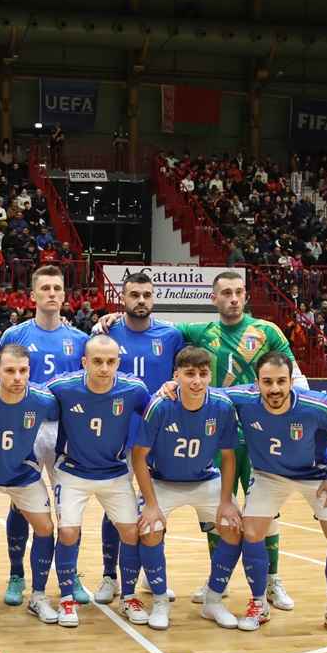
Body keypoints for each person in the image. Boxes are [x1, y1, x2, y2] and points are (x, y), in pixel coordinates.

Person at [99, 270, 303, 611]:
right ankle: (214, 584)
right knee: (217, 516)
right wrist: (114, 317)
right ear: (214, 298)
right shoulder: (198, 331)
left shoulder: (268, 331)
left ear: (246, 295)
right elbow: (151, 327)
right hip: (211, 434)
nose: (233, 298)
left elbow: (295, 380)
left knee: (265, 512)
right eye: (225, 292)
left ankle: (272, 581)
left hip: (256, 435)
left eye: (238, 292)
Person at [225, 351, 327, 640]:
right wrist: (171, 386)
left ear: (291, 381)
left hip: (317, 475)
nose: (274, 388)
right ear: (256, 382)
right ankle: (258, 603)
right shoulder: (243, 397)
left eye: (281, 381)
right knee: (252, 532)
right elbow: (208, 392)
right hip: (269, 475)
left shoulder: (317, 405)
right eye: (267, 381)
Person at [0, 265, 90, 606]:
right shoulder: (15, 336)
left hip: (67, 429)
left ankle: (70, 574)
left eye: (57, 288)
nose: (51, 293)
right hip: (27, 427)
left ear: (64, 295)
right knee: (21, 503)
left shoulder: (80, 340)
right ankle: (16, 574)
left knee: (70, 508)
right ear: (33, 295)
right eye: (45, 288)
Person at [131, 347, 241, 630]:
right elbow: (139, 456)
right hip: (162, 480)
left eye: (203, 374)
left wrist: (227, 500)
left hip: (205, 479)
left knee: (232, 526)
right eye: (189, 374)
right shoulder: (160, 405)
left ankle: (214, 601)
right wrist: (152, 504)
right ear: (176, 375)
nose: (197, 381)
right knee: (149, 528)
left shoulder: (222, 406)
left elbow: (229, 457)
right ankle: (159, 601)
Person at [45, 336, 150, 628]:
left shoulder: (134, 390)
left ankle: (129, 597)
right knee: (67, 532)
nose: (104, 368)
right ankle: (66, 599)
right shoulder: (62, 387)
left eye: (111, 361)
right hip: (72, 472)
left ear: (118, 362)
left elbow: (157, 412)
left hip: (115, 473)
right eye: (97, 361)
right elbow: (30, 398)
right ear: (84, 362)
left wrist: (170, 389)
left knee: (131, 532)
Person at [93, 272, 183, 604]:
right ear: (123, 298)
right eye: (134, 294)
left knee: (155, 506)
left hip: (159, 435)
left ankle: (150, 573)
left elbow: (185, 372)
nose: (140, 300)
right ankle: (108, 575)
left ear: (153, 297)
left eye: (146, 294)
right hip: (118, 433)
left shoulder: (171, 335)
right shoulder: (108, 331)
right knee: (114, 506)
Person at [0, 345, 61, 625]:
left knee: (45, 528)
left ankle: (38, 596)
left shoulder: (44, 399)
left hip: (23, 473)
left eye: (23, 370)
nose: (17, 377)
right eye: (9, 371)